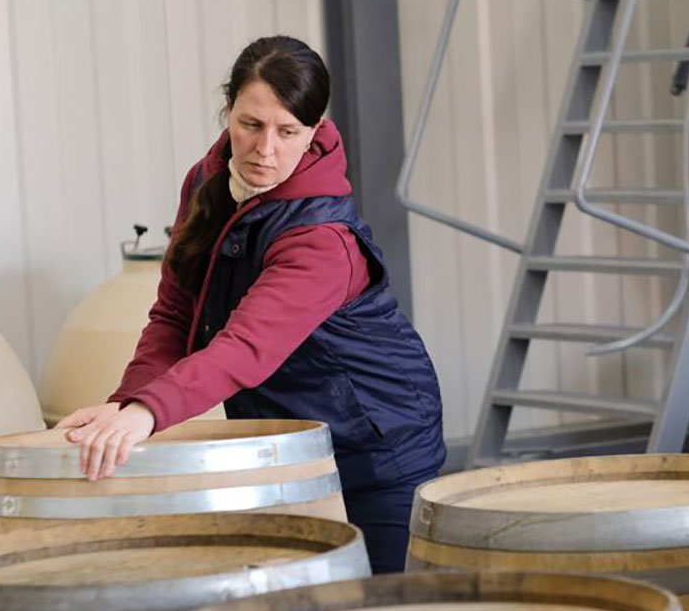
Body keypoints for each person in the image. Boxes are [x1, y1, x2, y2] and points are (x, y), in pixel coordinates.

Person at [55, 35, 446, 573]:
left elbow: (244, 347)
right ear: (229, 109)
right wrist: (130, 403)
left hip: (378, 444)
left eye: (288, 132)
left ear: (314, 131)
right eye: (251, 124)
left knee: (378, 605)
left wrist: (150, 413)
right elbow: (175, 316)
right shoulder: (207, 184)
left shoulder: (321, 238)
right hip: (286, 444)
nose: (265, 150)